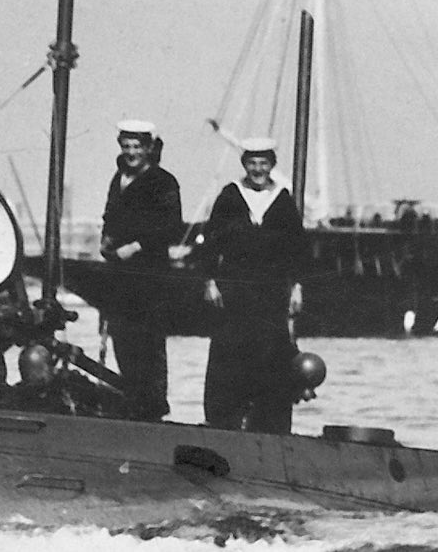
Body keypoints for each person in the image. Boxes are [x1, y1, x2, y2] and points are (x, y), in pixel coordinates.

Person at [196, 136, 308, 433]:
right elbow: (211, 241)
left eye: (263, 163)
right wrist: (210, 281)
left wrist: (296, 286)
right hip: (235, 287)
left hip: (271, 291)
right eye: (252, 163)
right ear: (244, 164)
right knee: (229, 351)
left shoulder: (282, 200)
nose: (258, 169)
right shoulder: (231, 196)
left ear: (271, 165)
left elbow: (297, 248)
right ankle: (224, 417)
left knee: (272, 352)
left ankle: (270, 421)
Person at [97, 119, 184, 422]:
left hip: (149, 278)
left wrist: (135, 246)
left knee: (148, 343)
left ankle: (153, 407)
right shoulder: (118, 179)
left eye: (137, 147)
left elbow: (171, 227)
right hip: (120, 278)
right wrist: (106, 241)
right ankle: (133, 401)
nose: (132, 152)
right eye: (126, 146)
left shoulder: (163, 182)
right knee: (123, 338)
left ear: (148, 148)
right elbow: (110, 216)